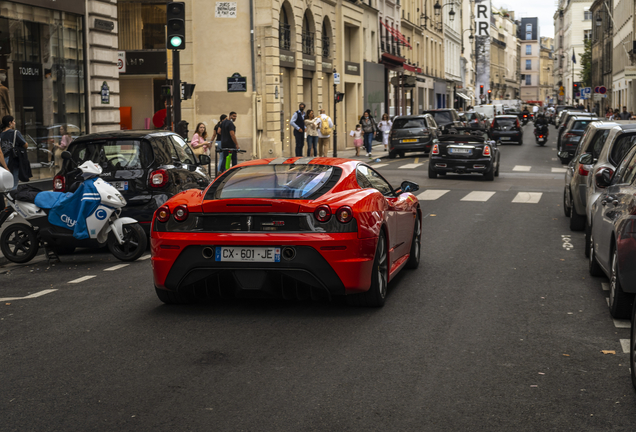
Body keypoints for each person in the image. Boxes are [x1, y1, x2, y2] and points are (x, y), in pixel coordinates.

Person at [0, 115, 28, 190]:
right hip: (13, 160)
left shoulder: (1, 134)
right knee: (13, 184)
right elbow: (25, 145)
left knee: (5, 184)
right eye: (14, 121)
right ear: (10, 123)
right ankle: (11, 201)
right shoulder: (15, 133)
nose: (15, 123)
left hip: (3, 161)